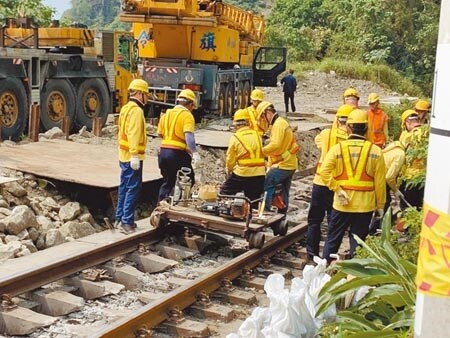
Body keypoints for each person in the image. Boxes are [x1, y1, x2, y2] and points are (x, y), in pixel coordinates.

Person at [320, 109, 386, 262]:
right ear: (366, 129)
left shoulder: (337, 149)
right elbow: (380, 183)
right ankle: (354, 277)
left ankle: (323, 273)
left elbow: (324, 171)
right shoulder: (376, 152)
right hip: (365, 206)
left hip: (342, 204)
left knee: (332, 241)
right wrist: (380, 205)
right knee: (358, 244)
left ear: (348, 128)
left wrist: (337, 188)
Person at [306, 104, 353, 260]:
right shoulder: (349, 140)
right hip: (337, 186)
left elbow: (317, 140)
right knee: (334, 225)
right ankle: (328, 258)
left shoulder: (326, 134)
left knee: (314, 220)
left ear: (337, 119)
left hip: (320, 182)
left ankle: (311, 254)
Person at [116, 79, 150, 232]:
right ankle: (126, 221)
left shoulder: (125, 108)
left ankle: (119, 218)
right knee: (133, 188)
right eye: (146, 95)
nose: (147, 98)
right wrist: (135, 155)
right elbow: (133, 133)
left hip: (123, 155)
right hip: (132, 157)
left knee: (124, 186)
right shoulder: (137, 111)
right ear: (140, 94)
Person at [157, 89, 201, 201]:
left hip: (163, 153)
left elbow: (160, 134)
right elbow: (189, 137)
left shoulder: (166, 114)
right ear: (190, 104)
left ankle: (161, 206)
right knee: (188, 178)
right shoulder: (187, 116)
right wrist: (194, 153)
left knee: (168, 181)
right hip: (177, 153)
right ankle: (179, 203)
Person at [256, 101, 299, 215]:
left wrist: (261, 151)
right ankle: (282, 214)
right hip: (289, 164)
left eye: (263, 117)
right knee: (284, 190)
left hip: (282, 165)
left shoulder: (278, 125)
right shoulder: (281, 123)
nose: (264, 120)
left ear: (268, 113)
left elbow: (276, 144)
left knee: (268, 184)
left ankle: (266, 212)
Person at [220, 109, 266, 206]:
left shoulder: (235, 137)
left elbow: (230, 159)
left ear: (236, 124)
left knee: (224, 192)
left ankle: (229, 210)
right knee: (254, 200)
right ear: (248, 122)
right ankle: (252, 217)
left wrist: (229, 170)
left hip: (243, 174)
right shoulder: (257, 135)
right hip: (260, 174)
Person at [369, 140, 406, 234]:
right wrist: (396, 190)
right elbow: (389, 177)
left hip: (375, 176)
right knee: (383, 203)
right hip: (382, 179)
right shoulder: (400, 154)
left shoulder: (392, 148)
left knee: (384, 202)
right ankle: (373, 229)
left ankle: (381, 225)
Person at [398, 110, 426, 210]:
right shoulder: (427, 132)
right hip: (423, 178)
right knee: (419, 207)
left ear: (407, 123)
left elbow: (401, 156)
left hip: (409, 177)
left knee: (406, 208)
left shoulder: (406, 136)